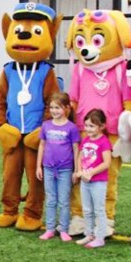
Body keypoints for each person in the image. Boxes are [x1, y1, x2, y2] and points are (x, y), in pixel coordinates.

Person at [35, 92, 80, 242]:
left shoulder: (71, 128)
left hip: (65, 170)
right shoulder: (46, 125)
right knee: (51, 200)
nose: (54, 111)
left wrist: (76, 170)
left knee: (64, 201)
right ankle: (49, 229)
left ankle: (64, 229)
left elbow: (75, 149)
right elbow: (42, 145)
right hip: (48, 168)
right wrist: (38, 166)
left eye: (58, 108)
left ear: (67, 108)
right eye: (52, 107)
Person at [74, 109, 112, 249]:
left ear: (101, 126)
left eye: (92, 126)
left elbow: (106, 163)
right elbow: (80, 156)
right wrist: (79, 170)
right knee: (87, 209)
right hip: (85, 181)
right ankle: (89, 234)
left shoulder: (104, 142)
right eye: (86, 125)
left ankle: (100, 237)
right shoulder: (86, 140)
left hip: (98, 182)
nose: (88, 129)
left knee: (99, 210)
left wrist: (91, 172)